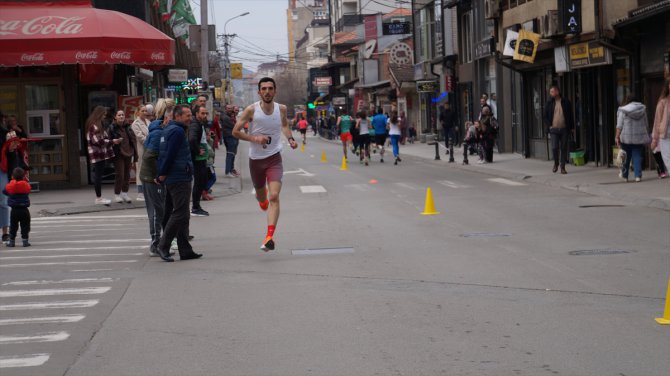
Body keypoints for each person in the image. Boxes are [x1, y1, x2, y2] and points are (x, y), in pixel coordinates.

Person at [232, 77, 298, 251]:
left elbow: (284, 125)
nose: (267, 91)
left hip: (274, 158)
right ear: (259, 92)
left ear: (275, 91)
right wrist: (254, 138)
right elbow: (235, 132)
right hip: (256, 160)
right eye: (264, 89)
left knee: (274, 197)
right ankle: (262, 201)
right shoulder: (251, 110)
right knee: (262, 198)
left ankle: (269, 237)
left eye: (270, 88)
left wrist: (290, 138)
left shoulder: (281, 109)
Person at [155, 104, 203, 262]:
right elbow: (169, 155)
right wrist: (162, 174)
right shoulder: (176, 131)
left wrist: (162, 173)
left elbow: (163, 154)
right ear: (177, 116)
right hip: (179, 176)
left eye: (190, 115)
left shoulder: (169, 129)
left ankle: (185, 249)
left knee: (178, 213)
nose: (190, 118)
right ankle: (163, 246)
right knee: (180, 212)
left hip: (174, 176)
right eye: (187, 115)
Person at [139, 98, 175, 257]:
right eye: (172, 112)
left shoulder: (158, 129)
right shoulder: (158, 131)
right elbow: (149, 156)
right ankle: (155, 243)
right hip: (151, 177)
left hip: (151, 175)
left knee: (158, 210)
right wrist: (158, 175)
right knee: (157, 211)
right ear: (166, 114)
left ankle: (159, 241)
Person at [86, 106, 121, 205]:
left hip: (98, 153)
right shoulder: (94, 126)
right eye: (103, 114)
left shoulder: (96, 125)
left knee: (98, 175)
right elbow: (98, 141)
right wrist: (112, 141)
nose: (104, 116)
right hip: (98, 153)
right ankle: (98, 198)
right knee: (98, 176)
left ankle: (99, 197)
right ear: (99, 114)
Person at [615, 95, 650, 182]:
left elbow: (619, 125)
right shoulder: (642, 110)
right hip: (638, 138)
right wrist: (647, 134)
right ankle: (638, 176)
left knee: (625, 157)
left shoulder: (623, 110)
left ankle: (625, 176)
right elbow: (646, 124)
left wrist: (617, 136)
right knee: (637, 156)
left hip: (626, 138)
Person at [543, 85, 574, 174]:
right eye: (550, 92)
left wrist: (572, 127)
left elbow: (570, 115)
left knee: (563, 148)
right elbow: (544, 116)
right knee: (554, 147)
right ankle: (556, 163)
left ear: (557, 91)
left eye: (552, 92)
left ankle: (563, 167)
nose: (551, 94)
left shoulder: (566, 102)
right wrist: (549, 126)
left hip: (564, 129)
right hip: (554, 129)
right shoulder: (549, 103)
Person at [108, 110, 138, 203]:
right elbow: (108, 140)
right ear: (115, 117)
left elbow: (133, 139)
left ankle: (125, 193)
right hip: (118, 153)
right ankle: (117, 194)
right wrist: (114, 141)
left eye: (123, 115)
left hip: (129, 152)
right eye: (119, 115)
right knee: (120, 174)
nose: (121, 116)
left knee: (127, 174)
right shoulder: (112, 127)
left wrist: (134, 151)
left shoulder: (128, 126)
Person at [189, 105, 210, 217]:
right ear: (196, 114)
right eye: (202, 113)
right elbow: (192, 139)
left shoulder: (199, 124)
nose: (205, 115)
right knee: (199, 182)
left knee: (202, 180)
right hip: (197, 159)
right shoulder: (195, 125)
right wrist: (198, 151)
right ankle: (195, 207)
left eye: (206, 113)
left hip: (201, 158)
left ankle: (197, 206)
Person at [3, 167, 31, 247]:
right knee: (25, 225)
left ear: (12, 176)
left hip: (14, 210)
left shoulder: (10, 186)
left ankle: (12, 241)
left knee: (13, 226)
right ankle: (25, 240)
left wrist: (11, 194)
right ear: (23, 177)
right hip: (24, 210)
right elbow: (28, 190)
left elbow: (4, 191)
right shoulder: (26, 185)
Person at [131, 105, 150, 201]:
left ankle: (147, 190)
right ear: (138, 112)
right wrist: (151, 141)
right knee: (140, 168)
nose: (145, 112)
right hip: (141, 149)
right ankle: (140, 192)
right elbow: (140, 137)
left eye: (146, 111)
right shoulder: (135, 123)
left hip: (149, 149)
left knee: (148, 169)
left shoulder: (148, 122)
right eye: (142, 111)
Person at [651, 77, 670, 171]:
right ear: (667, 87)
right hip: (666, 137)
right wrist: (655, 139)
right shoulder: (662, 103)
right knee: (668, 162)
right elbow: (657, 122)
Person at [221, 105, 240, 177]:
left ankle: (231, 170)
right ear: (225, 109)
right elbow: (234, 126)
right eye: (228, 108)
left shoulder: (231, 116)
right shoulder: (225, 117)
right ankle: (228, 171)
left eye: (231, 108)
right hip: (230, 137)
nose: (230, 110)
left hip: (233, 137)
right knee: (230, 154)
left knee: (232, 154)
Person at [0, 112, 9, 242]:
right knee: (3, 201)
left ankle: (5, 232)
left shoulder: (4, 133)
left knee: (3, 201)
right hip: (2, 169)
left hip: (2, 168)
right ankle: (5, 233)